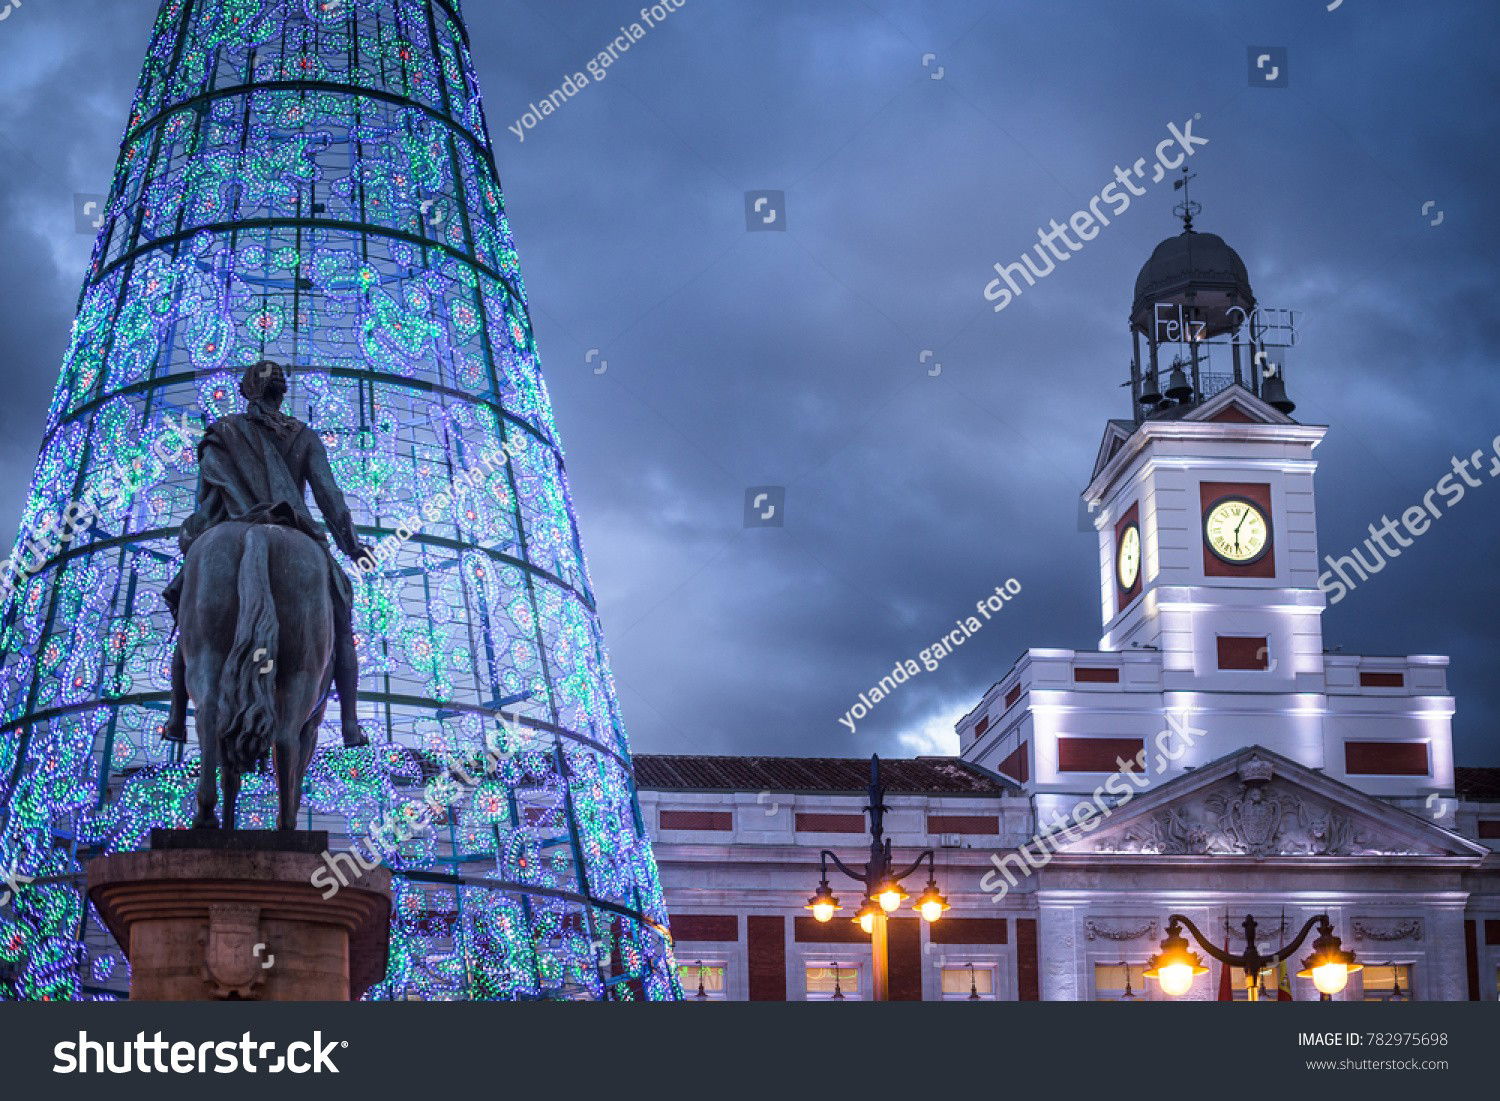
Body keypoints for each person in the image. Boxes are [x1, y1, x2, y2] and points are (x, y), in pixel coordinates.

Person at [161, 361, 371, 749]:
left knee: (191, 619)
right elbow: (330, 496)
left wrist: (200, 535)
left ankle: (176, 716)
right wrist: (352, 545)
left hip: (230, 525)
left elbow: (204, 500)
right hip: (295, 530)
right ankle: (350, 724)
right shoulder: (303, 436)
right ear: (282, 393)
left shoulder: (222, 432)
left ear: (245, 392)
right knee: (341, 619)